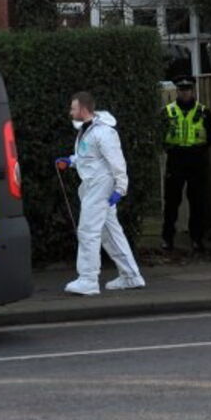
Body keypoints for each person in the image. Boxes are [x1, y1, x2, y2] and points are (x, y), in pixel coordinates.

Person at [55, 91, 145, 295]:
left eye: (73, 108)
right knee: (110, 232)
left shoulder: (104, 132)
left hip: (99, 186)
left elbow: (117, 162)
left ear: (84, 109)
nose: (71, 112)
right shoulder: (87, 131)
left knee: (88, 231)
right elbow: (88, 156)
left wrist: (120, 188)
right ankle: (131, 275)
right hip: (94, 186)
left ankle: (88, 279)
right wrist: (71, 161)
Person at [161, 75, 211, 252]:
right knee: (171, 201)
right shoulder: (168, 111)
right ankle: (167, 239)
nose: (185, 93)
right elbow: (159, 134)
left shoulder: (203, 111)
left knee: (198, 202)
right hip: (176, 158)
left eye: (188, 90)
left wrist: (199, 150)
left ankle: (197, 239)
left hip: (197, 158)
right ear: (177, 91)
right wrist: (169, 148)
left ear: (193, 91)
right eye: (182, 90)